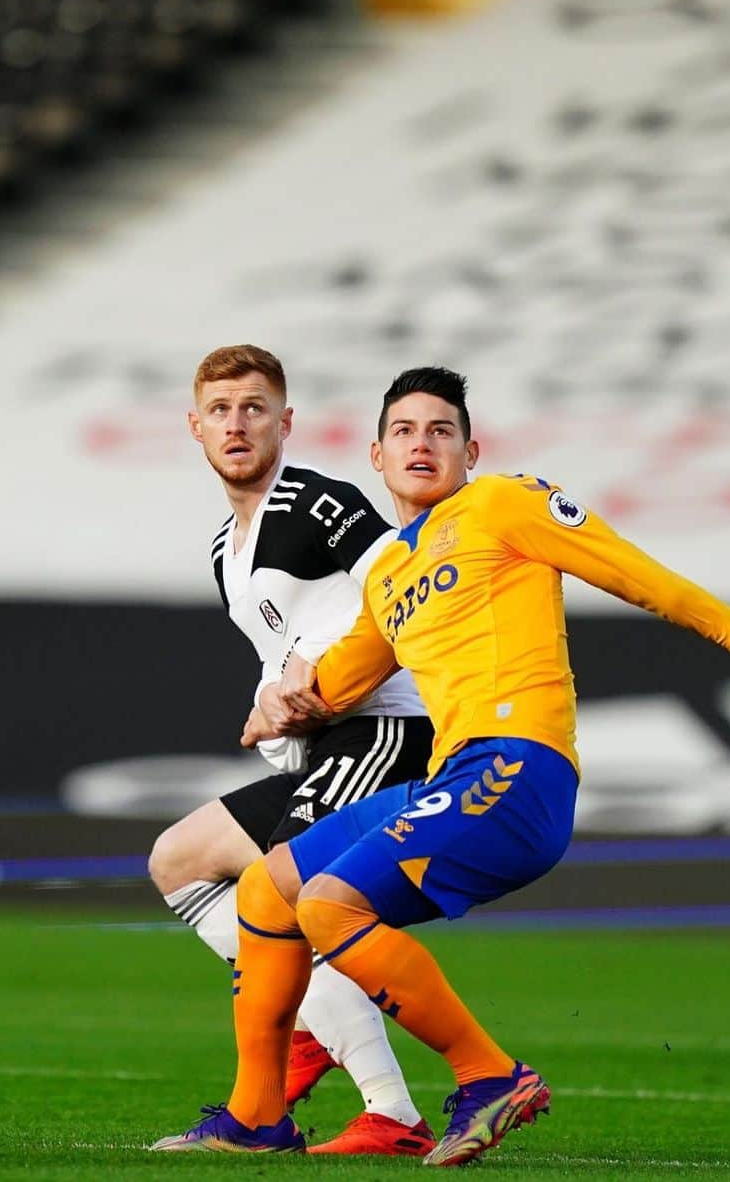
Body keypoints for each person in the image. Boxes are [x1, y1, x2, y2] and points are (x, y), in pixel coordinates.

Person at [168, 365, 730, 1164]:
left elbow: (633, 571)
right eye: (405, 432)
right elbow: (337, 682)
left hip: (520, 771)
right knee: (269, 890)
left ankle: (489, 1076)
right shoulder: (388, 578)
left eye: (441, 431)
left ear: (470, 451)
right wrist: (281, 701)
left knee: (330, 907)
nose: (422, 443)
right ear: (376, 457)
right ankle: (257, 1116)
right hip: (453, 779)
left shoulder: (504, 503)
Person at [148, 345, 436, 1157]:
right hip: (326, 747)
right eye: (221, 410)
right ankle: (308, 1013)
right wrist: (268, 701)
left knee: (281, 901)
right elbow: (285, 655)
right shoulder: (223, 552)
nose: (236, 424)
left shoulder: (317, 501)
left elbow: (408, 585)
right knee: (179, 860)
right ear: (195, 425)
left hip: (388, 729)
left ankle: (384, 1110)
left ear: (285, 421)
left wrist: (325, 669)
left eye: (254, 407)